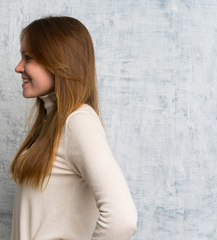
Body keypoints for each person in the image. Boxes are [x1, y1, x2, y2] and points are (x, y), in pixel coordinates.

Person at [10, 16, 138, 240]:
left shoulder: (78, 122)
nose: (18, 67)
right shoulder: (54, 122)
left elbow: (123, 219)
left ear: (57, 61)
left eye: (28, 58)